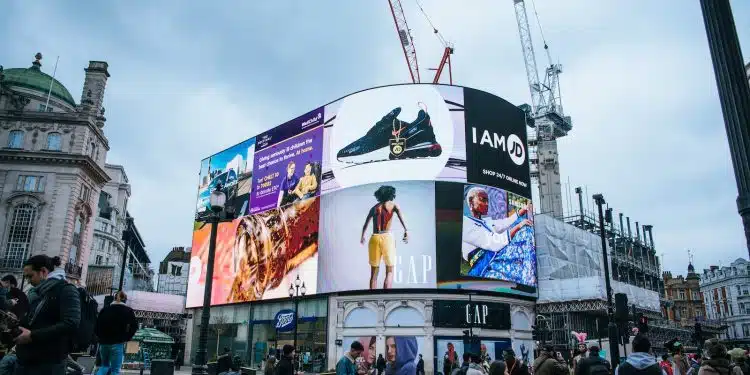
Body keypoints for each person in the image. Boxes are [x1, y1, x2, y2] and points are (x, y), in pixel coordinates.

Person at [14, 254, 80, 375]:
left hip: (49, 364)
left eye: (30, 276)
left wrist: (32, 335)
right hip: (25, 360)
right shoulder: (35, 292)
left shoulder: (66, 289)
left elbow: (71, 323)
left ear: (43, 271)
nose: (28, 281)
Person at [461, 187, 532, 273]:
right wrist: (519, 226)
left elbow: (505, 223)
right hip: (483, 264)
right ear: (471, 202)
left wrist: (523, 210)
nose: (487, 204)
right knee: (523, 233)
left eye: (487, 201)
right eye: (483, 200)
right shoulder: (465, 223)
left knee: (524, 229)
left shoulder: (487, 222)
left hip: (494, 255)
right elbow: (494, 242)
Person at [360, 185, 408, 290]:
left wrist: (362, 236)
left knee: (374, 274)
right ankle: (386, 297)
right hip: (387, 237)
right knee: (389, 271)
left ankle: (372, 298)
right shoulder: (393, 206)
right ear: (391, 194)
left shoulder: (374, 208)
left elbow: (365, 225)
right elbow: (401, 219)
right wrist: (406, 231)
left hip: (374, 238)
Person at [94, 290, 138, 375]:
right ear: (125, 300)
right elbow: (134, 327)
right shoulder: (128, 311)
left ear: (114, 299)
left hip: (104, 343)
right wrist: (126, 338)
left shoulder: (105, 310)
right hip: (117, 343)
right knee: (115, 370)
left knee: (104, 366)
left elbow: (97, 325)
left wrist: (100, 337)